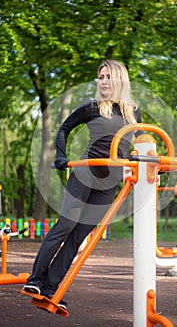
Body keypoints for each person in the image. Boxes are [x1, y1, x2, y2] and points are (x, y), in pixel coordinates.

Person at [23, 59, 142, 310]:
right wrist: (60, 156)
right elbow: (63, 129)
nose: (104, 81)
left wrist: (142, 161)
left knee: (79, 237)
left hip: (110, 183)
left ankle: (51, 287)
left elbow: (133, 146)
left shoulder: (134, 112)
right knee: (65, 226)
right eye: (101, 77)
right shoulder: (93, 107)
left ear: (120, 79)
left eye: (109, 76)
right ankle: (35, 279)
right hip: (85, 174)